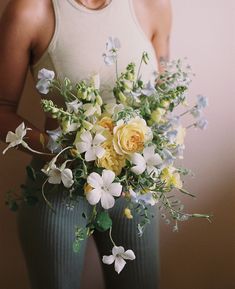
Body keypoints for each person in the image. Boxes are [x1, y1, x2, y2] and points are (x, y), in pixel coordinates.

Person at [0, 0, 172, 288]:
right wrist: (69, 152)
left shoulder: (153, 5)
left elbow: (163, 96)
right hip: (57, 188)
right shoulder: (31, 9)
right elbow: (2, 109)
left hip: (134, 192)